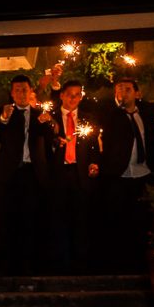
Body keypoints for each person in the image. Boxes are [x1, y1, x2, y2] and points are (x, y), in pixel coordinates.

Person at [0, 75, 54, 275]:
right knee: (7, 221)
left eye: (24, 89)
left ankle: (31, 267)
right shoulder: (5, 113)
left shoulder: (38, 114)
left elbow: (51, 139)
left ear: (30, 91)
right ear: (12, 93)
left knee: (31, 220)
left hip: (32, 173)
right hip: (10, 175)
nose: (20, 93)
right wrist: (3, 119)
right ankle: (6, 267)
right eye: (17, 90)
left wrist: (48, 123)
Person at [97, 77, 154, 273]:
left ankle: (142, 264)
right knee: (118, 221)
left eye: (128, 89)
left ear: (137, 93)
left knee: (141, 221)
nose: (123, 92)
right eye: (119, 89)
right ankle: (119, 265)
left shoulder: (146, 114)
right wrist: (119, 105)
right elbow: (106, 124)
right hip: (120, 174)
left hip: (143, 173)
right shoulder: (112, 115)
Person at [43, 79, 100, 274]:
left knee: (81, 220)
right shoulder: (50, 118)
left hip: (80, 174)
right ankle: (59, 265)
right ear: (62, 95)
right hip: (58, 175)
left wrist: (94, 163)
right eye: (69, 94)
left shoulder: (88, 118)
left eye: (77, 94)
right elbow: (42, 146)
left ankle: (81, 266)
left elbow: (93, 147)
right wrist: (53, 143)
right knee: (58, 220)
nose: (73, 98)